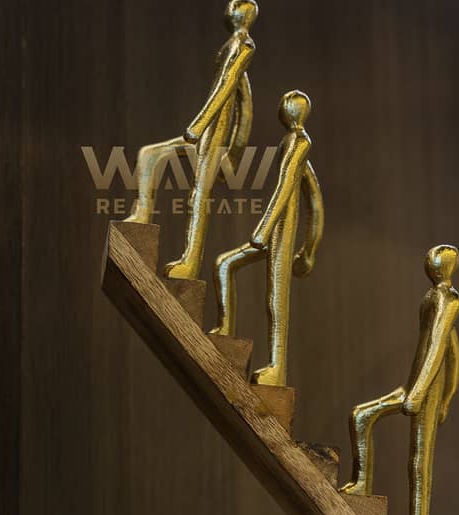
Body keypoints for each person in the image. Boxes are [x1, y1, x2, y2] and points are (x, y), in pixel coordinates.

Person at [340, 245, 459, 515]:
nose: (430, 263)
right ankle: (361, 484)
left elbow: (440, 347)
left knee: (420, 458)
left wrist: (430, 395)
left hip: (426, 388)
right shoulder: (432, 297)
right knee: (361, 416)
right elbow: (450, 346)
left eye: (435, 260)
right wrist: (417, 389)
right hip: (414, 385)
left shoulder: (449, 300)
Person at [125, 0, 258, 281]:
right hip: (206, 132)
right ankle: (142, 214)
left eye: (236, 6)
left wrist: (222, 144)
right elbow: (244, 97)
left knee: (199, 195)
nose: (231, 8)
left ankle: (191, 262)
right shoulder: (232, 45)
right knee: (150, 155)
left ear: (243, 14)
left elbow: (229, 89)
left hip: (213, 133)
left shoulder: (243, 46)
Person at [209, 90, 323, 388]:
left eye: (288, 106)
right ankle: (224, 331)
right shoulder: (293, 142)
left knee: (275, 299)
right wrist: (310, 247)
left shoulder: (299, 142)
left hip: (282, 233)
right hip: (274, 232)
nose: (285, 110)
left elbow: (287, 186)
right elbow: (313, 195)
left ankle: (277, 368)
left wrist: (270, 231)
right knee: (225, 265)